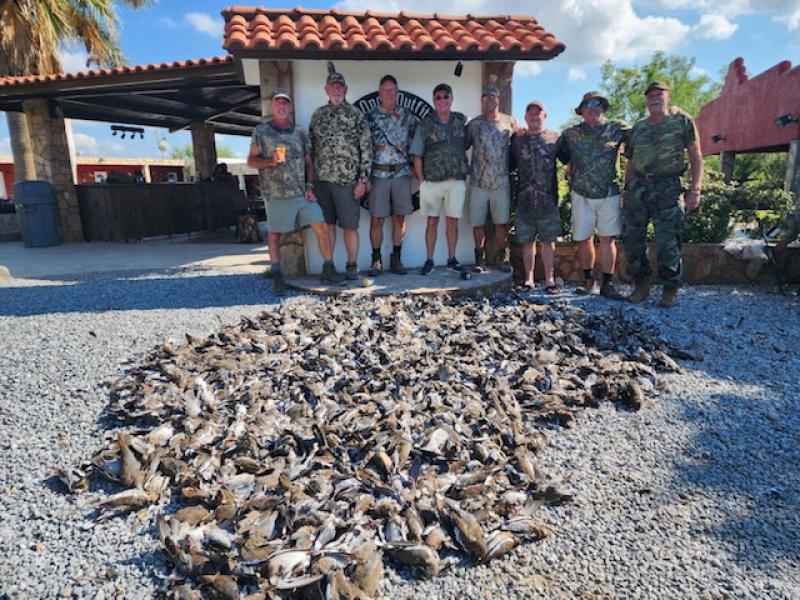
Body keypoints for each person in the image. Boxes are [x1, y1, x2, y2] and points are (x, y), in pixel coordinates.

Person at [247, 87, 344, 295]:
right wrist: (269, 161)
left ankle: (328, 267)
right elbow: (250, 161)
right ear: (272, 106)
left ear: (290, 107)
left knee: (322, 226)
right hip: (276, 194)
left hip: (301, 194)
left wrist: (310, 186)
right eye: (278, 102)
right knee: (274, 236)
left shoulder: (299, 132)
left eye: (285, 103)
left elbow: (309, 163)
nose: (282, 106)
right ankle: (277, 276)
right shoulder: (261, 131)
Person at [622, 81, 704, 308]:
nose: (655, 98)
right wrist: (626, 189)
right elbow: (630, 161)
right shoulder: (638, 128)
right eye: (650, 96)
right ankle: (641, 285)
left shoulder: (681, 121)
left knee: (668, 240)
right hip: (638, 188)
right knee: (632, 239)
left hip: (668, 187)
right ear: (646, 101)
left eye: (660, 94)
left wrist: (695, 190)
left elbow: (696, 156)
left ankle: (670, 289)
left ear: (668, 97)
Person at [560, 91, 628, 299]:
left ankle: (607, 284)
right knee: (584, 239)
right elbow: (560, 154)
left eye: (597, 103)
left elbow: (643, 135)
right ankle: (589, 281)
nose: (593, 108)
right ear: (581, 111)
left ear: (603, 107)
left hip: (609, 193)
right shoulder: (570, 134)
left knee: (608, 239)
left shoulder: (617, 128)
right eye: (588, 105)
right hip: (581, 194)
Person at [309, 65, 373, 280]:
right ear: (326, 90)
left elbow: (366, 149)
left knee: (349, 226)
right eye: (332, 87)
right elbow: (311, 150)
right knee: (327, 226)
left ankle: (352, 265)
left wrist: (362, 180)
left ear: (346, 90)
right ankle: (329, 266)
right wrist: (309, 183)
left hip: (347, 182)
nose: (336, 91)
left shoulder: (356, 115)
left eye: (340, 87)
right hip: (322, 181)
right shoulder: (318, 116)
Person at [410, 83, 469, 274]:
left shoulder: (461, 121)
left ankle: (452, 259)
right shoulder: (425, 124)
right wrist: (421, 181)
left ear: (451, 99)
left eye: (446, 96)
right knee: (432, 222)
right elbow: (417, 154)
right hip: (432, 182)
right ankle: (430, 260)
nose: (442, 100)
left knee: (453, 221)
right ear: (434, 101)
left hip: (455, 180)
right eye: (438, 97)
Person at [364, 75, 418, 276]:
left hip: (402, 174)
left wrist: (415, 166)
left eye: (392, 90)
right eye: (385, 90)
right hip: (378, 174)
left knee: (400, 219)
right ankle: (376, 260)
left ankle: (396, 259)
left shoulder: (407, 116)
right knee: (376, 219)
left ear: (397, 93)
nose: (389, 94)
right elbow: (363, 147)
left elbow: (417, 142)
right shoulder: (370, 118)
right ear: (379, 93)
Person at [510, 101, 565, 292]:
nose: (534, 116)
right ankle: (529, 279)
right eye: (531, 113)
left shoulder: (556, 138)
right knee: (527, 241)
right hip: (524, 199)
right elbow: (508, 164)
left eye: (538, 113)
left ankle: (550, 280)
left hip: (547, 200)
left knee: (548, 241)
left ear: (545, 116)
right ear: (525, 117)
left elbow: (570, 160)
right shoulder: (517, 140)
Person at [465, 83, 519, 273]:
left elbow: (519, 144)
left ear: (499, 99)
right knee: (477, 223)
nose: (489, 100)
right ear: (482, 101)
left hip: (501, 182)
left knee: (501, 223)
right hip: (478, 182)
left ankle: (502, 259)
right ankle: (479, 260)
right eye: (485, 97)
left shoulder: (510, 122)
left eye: (492, 97)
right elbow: (462, 146)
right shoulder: (474, 125)